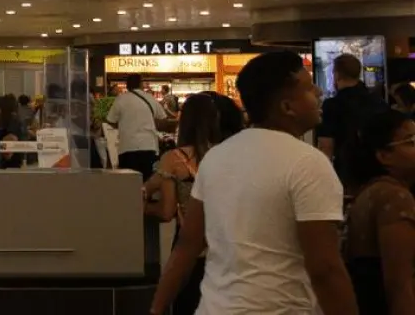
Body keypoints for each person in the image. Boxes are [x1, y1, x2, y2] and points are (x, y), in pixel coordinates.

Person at [150, 51, 358, 315]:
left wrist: (156, 309)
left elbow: (187, 246)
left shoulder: (216, 157)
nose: (318, 91)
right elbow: (325, 268)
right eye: (308, 87)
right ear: (287, 107)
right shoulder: (308, 163)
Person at [144, 94, 237, 315]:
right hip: (226, 248)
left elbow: (167, 212)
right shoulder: (229, 155)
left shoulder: (174, 159)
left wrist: (144, 207)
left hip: (190, 249)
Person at [344, 109, 415, 314]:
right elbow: (400, 285)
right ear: (384, 155)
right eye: (410, 142)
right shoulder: (393, 197)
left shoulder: (371, 191)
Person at [318, 53, 389, 184]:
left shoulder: (332, 105)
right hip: (379, 170)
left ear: (337, 75)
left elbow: (326, 146)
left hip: (347, 173)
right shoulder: (378, 101)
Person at [104, 73, 173, 180]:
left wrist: (123, 124)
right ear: (141, 84)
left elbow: (110, 120)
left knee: (129, 184)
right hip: (149, 146)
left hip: (127, 147)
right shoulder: (150, 98)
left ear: (127, 85)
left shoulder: (120, 99)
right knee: (147, 182)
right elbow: (163, 119)